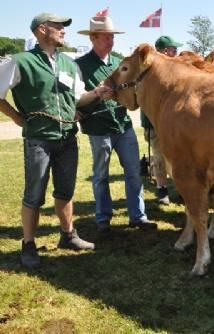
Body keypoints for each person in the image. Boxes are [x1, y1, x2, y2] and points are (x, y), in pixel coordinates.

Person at [0, 12, 110, 268]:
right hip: (39, 139)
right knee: (34, 194)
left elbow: (78, 98)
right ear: (41, 30)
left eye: (63, 26)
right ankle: (28, 244)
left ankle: (68, 236)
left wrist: (97, 93)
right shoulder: (20, 61)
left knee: (65, 191)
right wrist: (17, 117)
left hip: (68, 139)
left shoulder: (70, 65)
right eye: (58, 26)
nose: (63, 30)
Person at [76, 16, 157, 233]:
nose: (111, 41)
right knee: (100, 174)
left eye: (112, 36)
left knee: (133, 172)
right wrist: (93, 98)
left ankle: (138, 216)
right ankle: (103, 218)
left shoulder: (120, 63)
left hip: (123, 125)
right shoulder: (80, 65)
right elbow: (75, 97)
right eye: (106, 37)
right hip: (98, 128)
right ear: (93, 38)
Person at [140, 35, 182, 204]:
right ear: (165, 51)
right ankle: (161, 188)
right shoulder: (150, 71)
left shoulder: (176, 69)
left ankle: (181, 187)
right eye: (174, 49)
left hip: (174, 122)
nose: (176, 52)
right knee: (159, 156)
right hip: (155, 121)